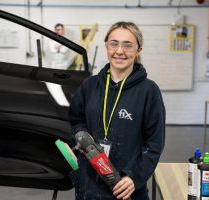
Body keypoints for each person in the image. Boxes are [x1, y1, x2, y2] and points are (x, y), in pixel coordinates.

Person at [68, 21, 165, 200]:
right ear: (106, 46)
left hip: (124, 188)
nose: (119, 51)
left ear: (138, 50)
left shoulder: (148, 91)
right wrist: (80, 135)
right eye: (114, 44)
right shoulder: (90, 85)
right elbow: (75, 119)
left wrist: (134, 177)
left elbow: (154, 144)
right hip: (88, 184)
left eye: (127, 45)